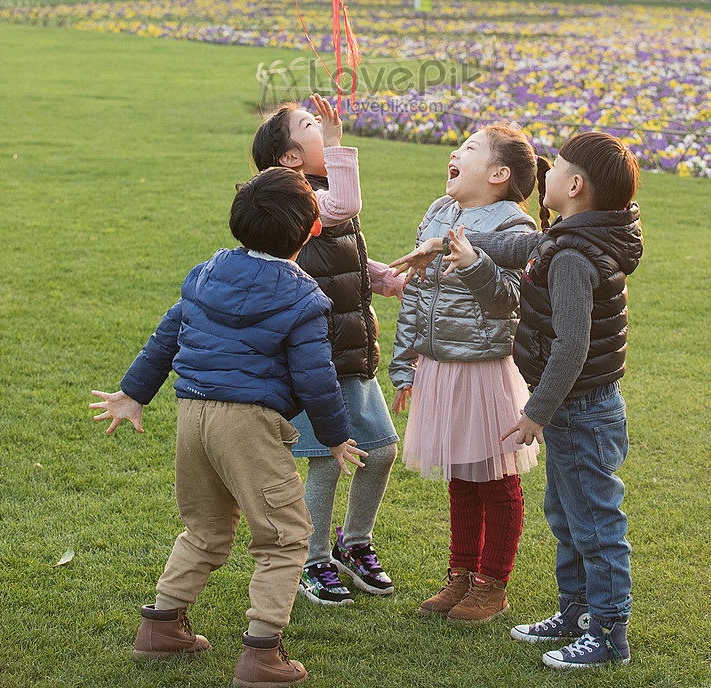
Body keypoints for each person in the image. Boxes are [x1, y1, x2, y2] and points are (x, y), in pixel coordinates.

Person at [89, 167, 366, 687]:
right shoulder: (303, 298)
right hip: (250, 425)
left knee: (206, 528)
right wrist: (334, 435)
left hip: (192, 416)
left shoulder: (206, 272)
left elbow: (166, 335)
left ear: (237, 222)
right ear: (311, 230)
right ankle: (262, 654)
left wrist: (133, 392)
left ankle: (161, 626)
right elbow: (316, 376)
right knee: (285, 539)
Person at [440, 131, 644, 669]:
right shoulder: (567, 237)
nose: (544, 174)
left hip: (579, 410)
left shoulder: (576, 256)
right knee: (567, 513)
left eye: (554, 169)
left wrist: (536, 411)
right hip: (573, 409)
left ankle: (606, 633)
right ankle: (577, 612)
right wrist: (456, 245)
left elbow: (573, 348)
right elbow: (519, 246)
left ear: (574, 186)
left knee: (595, 523)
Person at [387, 125, 546, 625]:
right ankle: (460, 575)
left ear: (499, 175)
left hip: (484, 368)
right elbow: (416, 291)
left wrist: (475, 261)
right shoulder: (439, 210)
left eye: (470, 149)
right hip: (438, 363)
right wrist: (404, 361)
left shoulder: (514, 227)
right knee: (460, 473)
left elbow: (508, 302)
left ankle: (493, 586)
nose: (455, 152)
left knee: (496, 478)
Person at [251, 94, 404, 606]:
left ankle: (353, 543)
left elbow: (338, 250)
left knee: (380, 450)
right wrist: (340, 146)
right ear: (291, 159)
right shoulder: (295, 198)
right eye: (313, 125)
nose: (325, 128)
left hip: (353, 348)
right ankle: (311, 560)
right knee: (326, 459)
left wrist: (377, 275)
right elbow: (342, 208)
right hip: (315, 355)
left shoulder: (316, 191)